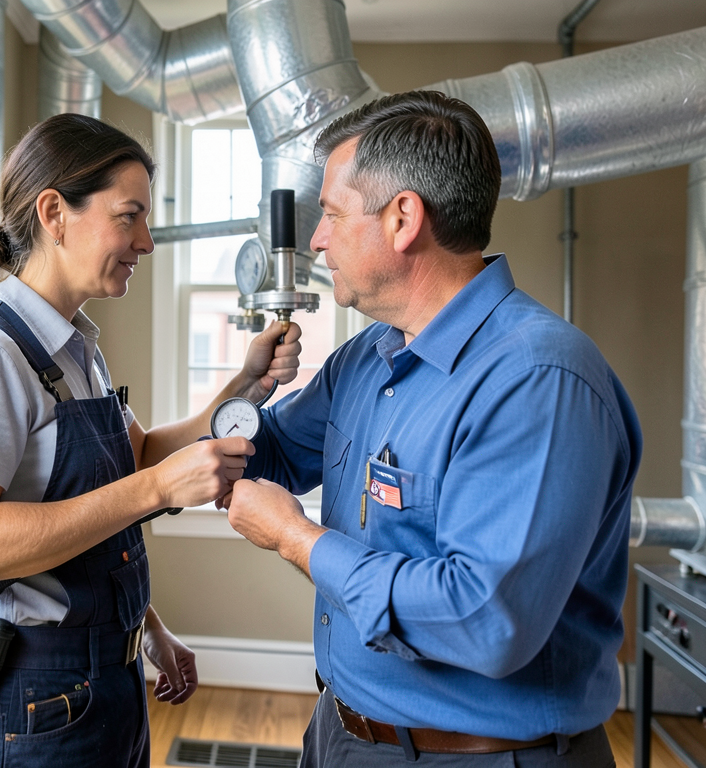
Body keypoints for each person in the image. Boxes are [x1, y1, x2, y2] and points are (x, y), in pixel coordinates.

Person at [223, 90, 639, 767]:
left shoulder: (538, 380)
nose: (319, 237)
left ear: (403, 218)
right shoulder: (367, 356)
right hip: (339, 732)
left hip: (485, 754)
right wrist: (247, 386)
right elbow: (260, 455)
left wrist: (296, 539)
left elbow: (484, 621)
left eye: (330, 213)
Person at [0, 113, 301, 768]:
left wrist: (245, 385)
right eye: (129, 215)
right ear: (55, 212)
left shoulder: (74, 348)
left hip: (102, 682)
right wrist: (156, 490)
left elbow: (135, 460)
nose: (145, 241)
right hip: (32, 702)